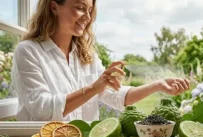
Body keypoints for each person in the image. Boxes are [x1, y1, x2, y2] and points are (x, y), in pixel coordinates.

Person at [11, 0, 190, 121]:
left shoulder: (87, 56)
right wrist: (94, 88)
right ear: (54, 7)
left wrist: (157, 85)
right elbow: (42, 110)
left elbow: (116, 96)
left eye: (90, 11)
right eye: (80, 7)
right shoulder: (29, 51)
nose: (88, 17)